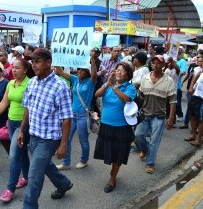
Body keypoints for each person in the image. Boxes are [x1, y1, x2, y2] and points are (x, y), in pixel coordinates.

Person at [17, 48, 73, 208]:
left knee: (34, 175)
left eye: (38, 62)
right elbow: (28, 108)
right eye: (32, 62)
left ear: (48, 62)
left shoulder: (60, 86)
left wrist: (63, 145)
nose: (34, 66)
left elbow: (66, 118)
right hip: (33, 135)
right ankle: (63, 184)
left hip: (49, 139)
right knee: (44, 164)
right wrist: (22, 130)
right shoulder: (32, 82)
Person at [0, 59, 31, 203]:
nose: (14, 70)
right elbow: (4, 102)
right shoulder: (10, 83)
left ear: (25, 70)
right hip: (11, 123)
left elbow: (29, 108)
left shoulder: (30, 84)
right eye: (13, 68)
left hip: (23, 125)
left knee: (14, 156)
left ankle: (10, 189)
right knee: (21, 153)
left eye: (18, 68)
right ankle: (27, 178)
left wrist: (22, 128)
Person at [93, 62, 136, 193]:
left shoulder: (130, 87)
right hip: (106, 125)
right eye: (117, 69)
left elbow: (126, 99)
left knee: (118, 154)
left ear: (128, 74)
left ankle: (113, 177)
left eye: (122, 70)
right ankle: (114, 169)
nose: (119, 72)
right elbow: (97, 94)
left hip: (121, 127)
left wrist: (114, 86)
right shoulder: (109, 85)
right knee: (110, 152)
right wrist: (108, 84)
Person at [135, 55, 176, 174]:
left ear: (163, 65)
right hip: (145, 114)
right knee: (138, 135)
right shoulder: (146, 78)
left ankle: (150, 163)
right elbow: (141, 96)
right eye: (153, 62)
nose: (155, 65)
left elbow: (173, 101)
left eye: (158, 63)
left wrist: (170, 118)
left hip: (159, 116)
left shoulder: (169, 81)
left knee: (154, 141)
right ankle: (144, 149)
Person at [54, 54, 97, 170]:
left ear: (87, 72)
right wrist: (56, 56)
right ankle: (66, 162)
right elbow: (60, 72)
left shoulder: (91, 82)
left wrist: (92, 60)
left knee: (83, 140)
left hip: (83, 116)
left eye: (82, 70)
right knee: (66, 139)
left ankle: (84, 160)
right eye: (78, 70)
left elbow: (94, 74)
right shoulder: (75, 80)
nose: (79, 72)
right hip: (71, 115)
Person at [180, 55, 200, 129]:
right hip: (190, 90)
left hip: (198, 93)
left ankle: (196, 128)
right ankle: (186, 123)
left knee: (196, 110)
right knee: (190, 107)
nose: (198, 59)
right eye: (197, 57)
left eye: (200, 58)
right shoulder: (192, 66)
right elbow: (189, 75)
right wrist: (184, 82)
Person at [176, 52, 187, 122]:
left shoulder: (182, 61)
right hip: (169, 85)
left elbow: (184, 72)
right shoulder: (172, 60)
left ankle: (180, 115)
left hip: (177, 85)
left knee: (177, 102)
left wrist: (175, 72)